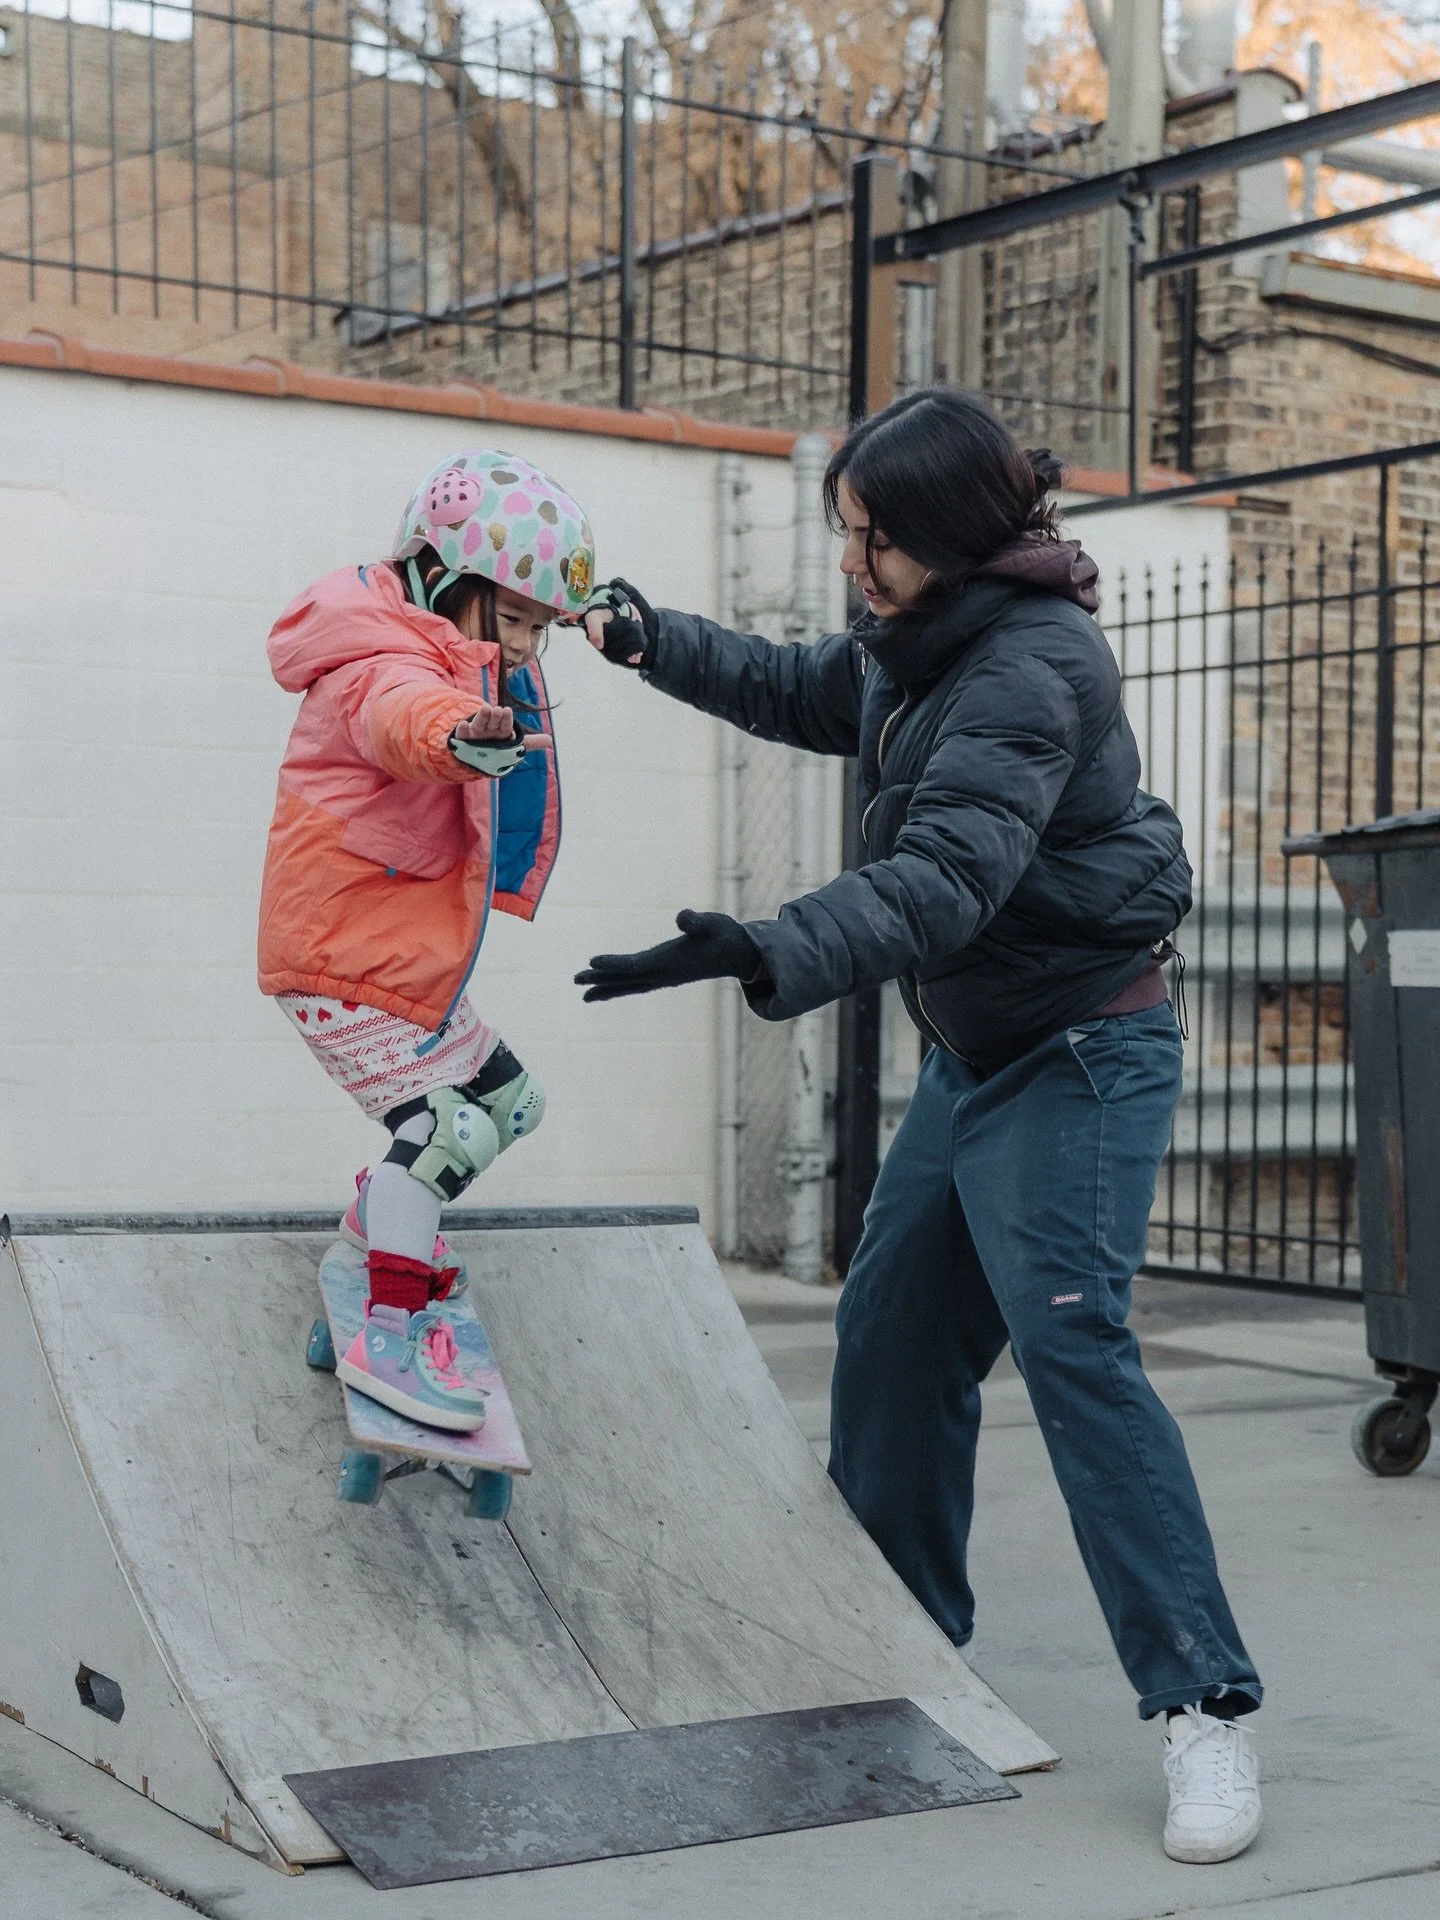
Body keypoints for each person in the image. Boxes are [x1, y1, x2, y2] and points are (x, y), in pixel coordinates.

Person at [570, 389, 1263, 1865]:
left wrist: (768, 947)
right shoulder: (915, 644)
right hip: (979, 1053)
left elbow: (945, 878)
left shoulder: (1032, 667)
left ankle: (1204, 1708)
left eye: (870, 540)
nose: (851, 564)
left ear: (945, 536)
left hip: (1082, 1050)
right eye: (843, 535)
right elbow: (800, 687)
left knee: (1075, 1348)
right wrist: (650, 638)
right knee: (891, 1337)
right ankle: (900, 1652)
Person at [258, 450, 593, 1430]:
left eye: (543, 627)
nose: (530, 647)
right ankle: (391, 1335)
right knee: (442, 1130)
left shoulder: (436, 642)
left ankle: (369, 1253)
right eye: (519, 619)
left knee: (509, 1103)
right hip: (339, 952)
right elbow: (402, 718)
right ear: (448, 582)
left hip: (388, 953)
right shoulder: (381, 657)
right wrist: (458, 736)